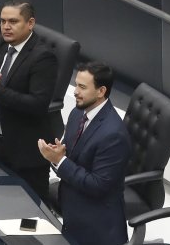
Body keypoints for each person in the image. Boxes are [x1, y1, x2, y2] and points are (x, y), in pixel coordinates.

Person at [0, 0, 58, 199]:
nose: (6, 27)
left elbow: (37, 105)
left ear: (30, 23)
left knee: (30, 211)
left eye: (13, 22)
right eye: (2, 21)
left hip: (26, 150)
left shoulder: (43, 57)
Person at [38, 61, 131, 245]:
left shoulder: (113, 135)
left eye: (82, 87)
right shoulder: (77, 114)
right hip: (72, 208)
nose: (75, 91)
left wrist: (61, 161)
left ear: (101, 91)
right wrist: (57, 155)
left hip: (97, 227)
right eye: (76, 85)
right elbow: (71, 156)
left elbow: (97, 186)